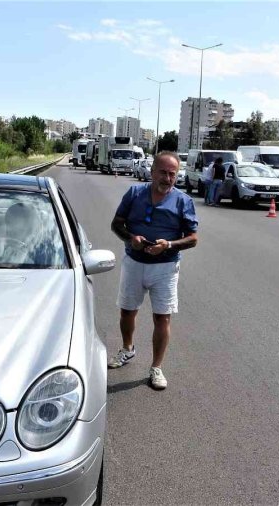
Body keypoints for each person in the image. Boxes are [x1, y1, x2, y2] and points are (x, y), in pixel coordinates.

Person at [108, 151, 199, 390]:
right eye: (163, 172)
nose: (168, 178)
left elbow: (192, 239)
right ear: (152, 172)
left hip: (166, 268)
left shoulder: (183, 201)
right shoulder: (134, 193)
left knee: (162, 317)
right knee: (127, 312)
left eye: (172, 174)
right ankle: (127, 349)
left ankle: (156, 367)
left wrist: (167, 245)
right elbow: (116, 224)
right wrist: (131, 238)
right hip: (134, 263)